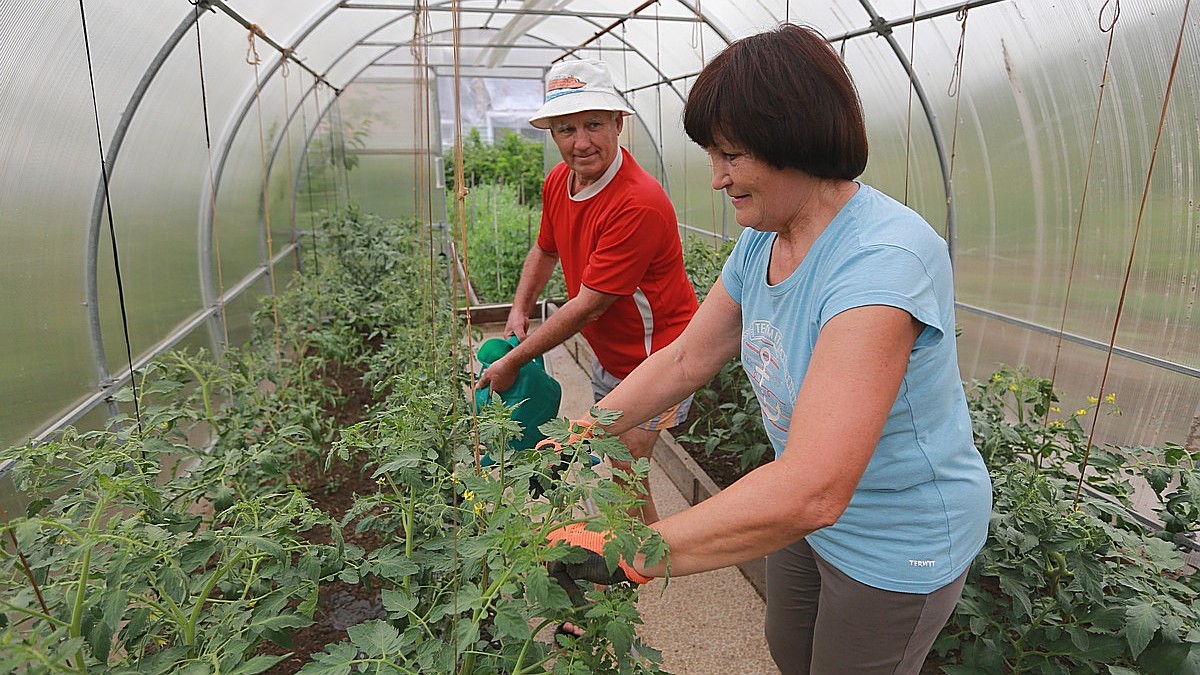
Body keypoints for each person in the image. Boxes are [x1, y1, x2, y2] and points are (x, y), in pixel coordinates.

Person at [545, 24, 993, 675]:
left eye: (731, 155)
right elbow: (685, 359)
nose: (717, 180)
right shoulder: (764, 238)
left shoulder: (882, 263)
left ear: (794, 140)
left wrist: (633, 549)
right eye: (711, 155)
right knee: (790, 648)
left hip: (899, 535)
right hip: (804, 514)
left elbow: (812, 489)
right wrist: (583, 431)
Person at [476, 58, 699, 524]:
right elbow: (544, 250)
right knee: (615, 462)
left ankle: (638, 567)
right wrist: (518, 312)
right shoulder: (559, 181)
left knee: (624, 465)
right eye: (565, 129)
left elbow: (588, 308)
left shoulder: (637, 202)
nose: (581, 143)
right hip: (611, 352)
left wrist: (512, 360)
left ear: (619, 123)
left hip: (658, 355)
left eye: (593, 124)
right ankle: (631, 556)